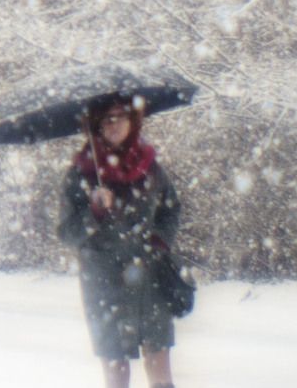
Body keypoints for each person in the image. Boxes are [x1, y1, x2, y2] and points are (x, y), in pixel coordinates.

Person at [57, 100, 182, 388]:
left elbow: (171, 209)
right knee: (116, 369)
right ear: (95, 126)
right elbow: (67, 232)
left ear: (133, 120)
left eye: (120, 117)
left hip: (149, 274)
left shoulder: (150, 167)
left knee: (159, 361)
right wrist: (94, 212)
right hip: (104, 281)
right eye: (106, 119)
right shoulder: (81, 173)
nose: (113, 124)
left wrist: (159, 241)